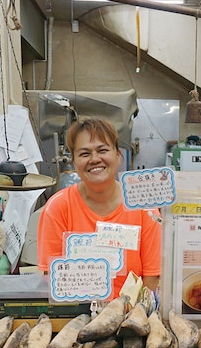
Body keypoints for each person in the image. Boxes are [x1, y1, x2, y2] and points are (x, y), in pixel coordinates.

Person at [37, 116, 162, 300]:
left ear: (118, 156)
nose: (95, 159)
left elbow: (152, 276)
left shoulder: (144, 207)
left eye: (102, 150)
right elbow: (52, 276)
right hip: (76, 315)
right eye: (85, 154)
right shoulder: (57, 208)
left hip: (131, 316)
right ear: (73, 161)